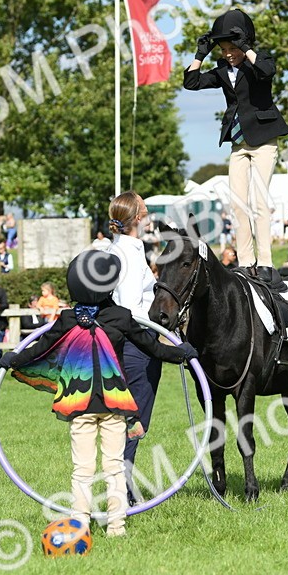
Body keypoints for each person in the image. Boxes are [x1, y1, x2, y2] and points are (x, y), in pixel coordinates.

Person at [0, 250, 196, 538]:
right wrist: (182, 353)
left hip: (80, 404)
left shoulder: (68, 319)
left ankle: (79, 523)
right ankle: (116, 527)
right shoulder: (120, 316)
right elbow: (153, 348)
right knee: (114, 467)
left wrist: (13, 359)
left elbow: (40, 348)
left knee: (82, 469)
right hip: (115, 403)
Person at [184, 9, 288, 290]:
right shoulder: (221, 70)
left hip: (264, 140)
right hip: (238, 143)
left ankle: (266, 262)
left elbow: (267, 72)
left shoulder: (259, 61)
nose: (229, 53)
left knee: (258, 201)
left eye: (233, 48)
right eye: (225, 49)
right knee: (238, 203)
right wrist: (201, 54)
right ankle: (246, 262)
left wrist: (246, 47)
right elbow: (191, 83)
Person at [106, 192, 167, 501]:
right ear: (139, 219)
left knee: (128, 419)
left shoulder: (121, 249)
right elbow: (129, 307)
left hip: (133, 341)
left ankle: (121, 485)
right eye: (146, 211)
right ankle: (122, 489)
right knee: (134, 420)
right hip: (137, 342)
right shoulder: (128, 253)